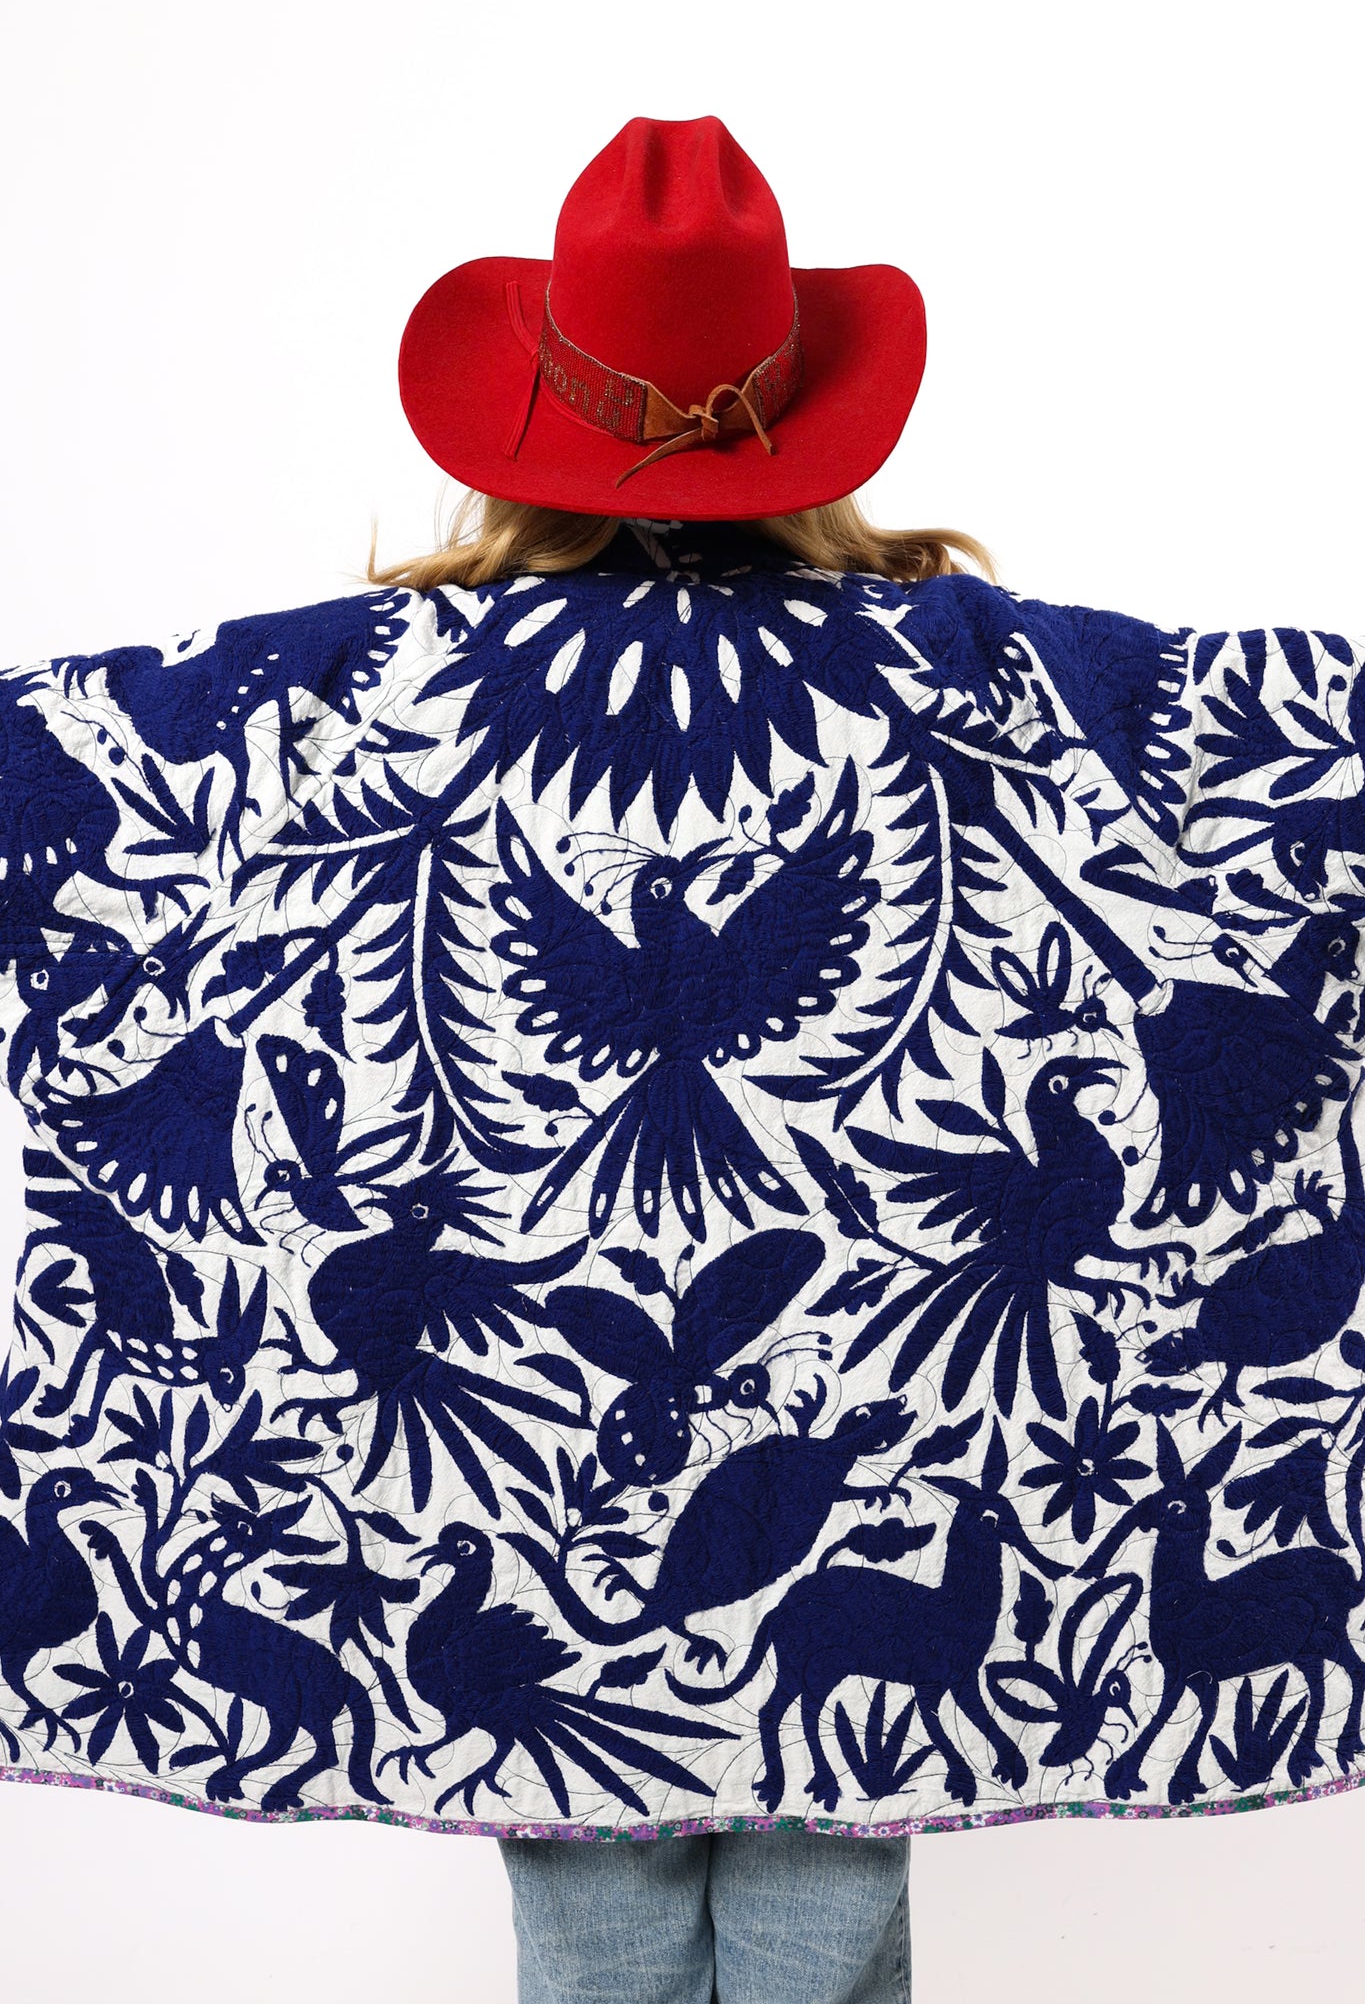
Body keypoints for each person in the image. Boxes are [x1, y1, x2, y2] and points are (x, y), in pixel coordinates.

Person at [2, 113, 1364, 2004]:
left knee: (591, 1917)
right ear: (808, 419)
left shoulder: (339, 694)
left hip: (528, 1444)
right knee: (826, 1897)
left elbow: (61, 784)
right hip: (863, 1413)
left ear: (526, 417)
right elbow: (1292, 775)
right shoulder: (999, 679)